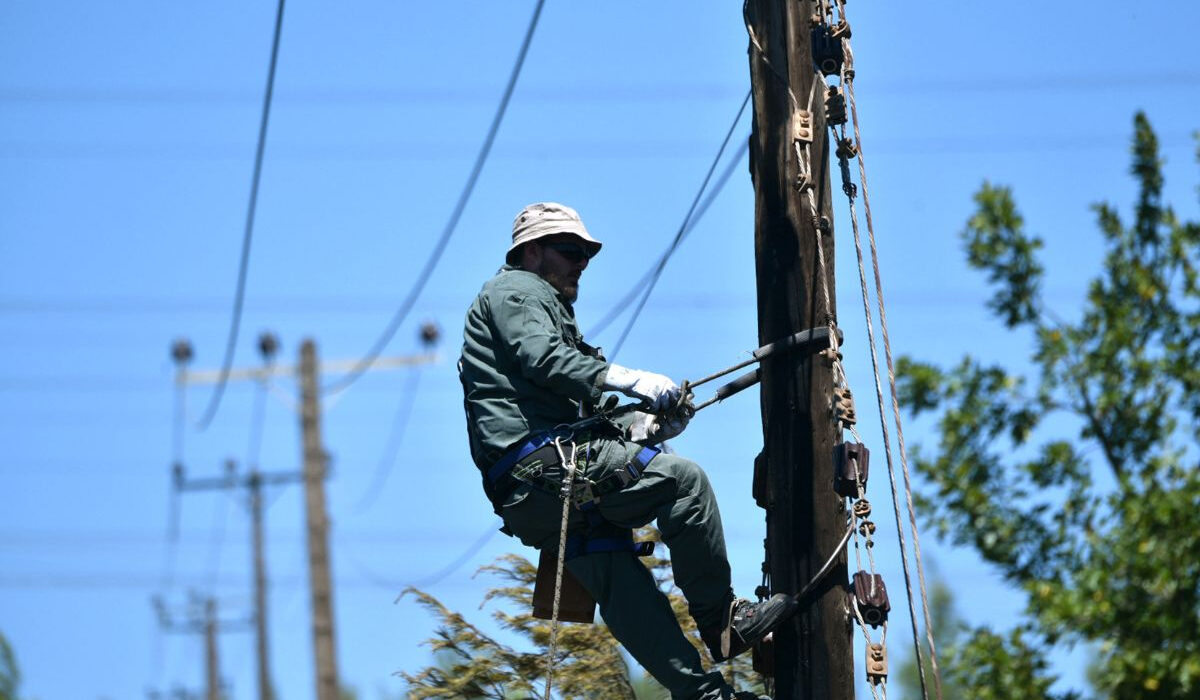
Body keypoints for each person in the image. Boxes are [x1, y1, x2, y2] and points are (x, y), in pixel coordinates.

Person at [459, 202, 795, 700]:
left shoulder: (541, 306)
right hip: (545, 467)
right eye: (571, 251)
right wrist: (632, 379)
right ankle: (722, 620)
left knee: (620, 584)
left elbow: (581, 401)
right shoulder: (515, 290)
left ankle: (705, 695)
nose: (581, 264)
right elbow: (546, 359)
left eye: (586, 256)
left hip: (531, 493)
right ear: (531, 252)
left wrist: (646, 425)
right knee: (683, 483)